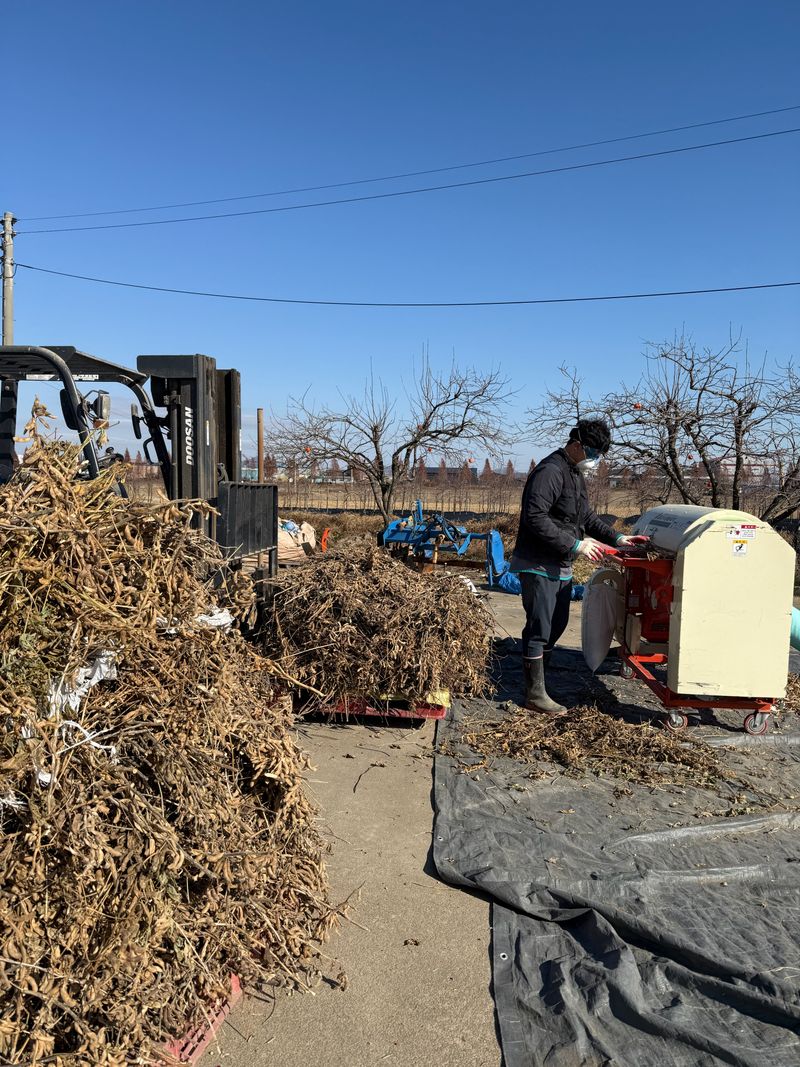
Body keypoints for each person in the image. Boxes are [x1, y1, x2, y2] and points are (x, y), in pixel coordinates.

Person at [510, 418, 649, 715]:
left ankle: (541, 684)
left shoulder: (573, 475)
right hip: (538, 563)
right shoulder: (550, 471)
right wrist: (575, 545)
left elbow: (586, 518)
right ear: (576, 445)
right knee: (540, 628)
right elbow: (535, 518)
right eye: (593, 454)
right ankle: (534, 695)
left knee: (557, 624)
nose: (595, 461)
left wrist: (620, 538)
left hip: (559, 562)